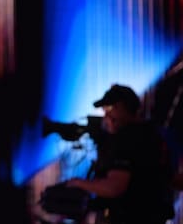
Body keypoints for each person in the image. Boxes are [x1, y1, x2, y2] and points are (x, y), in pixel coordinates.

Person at [65, 84, 175, 224]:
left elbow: (114, 187)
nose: (107, 116)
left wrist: (78, 183)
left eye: (110, 109)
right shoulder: (152, 134)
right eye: (104, 110)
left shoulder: (128, 138)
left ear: (124, 107)